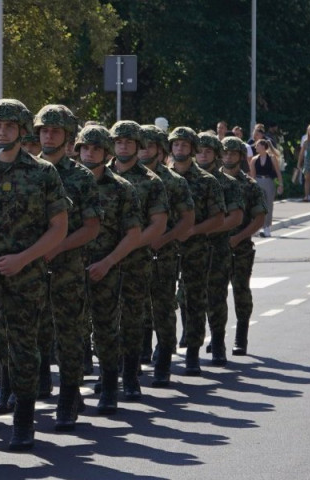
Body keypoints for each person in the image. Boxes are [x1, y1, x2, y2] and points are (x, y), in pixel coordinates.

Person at [0, 99, 68, 452]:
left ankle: (23, 418)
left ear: (22, 132)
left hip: (26, 268)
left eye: (9, 126)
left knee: (22, 346)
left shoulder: (43, 173)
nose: (2, 131)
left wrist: (24, 259)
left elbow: (58, 229)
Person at [34, 104, 100, 429]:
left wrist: (58, 246)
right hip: (31, 270)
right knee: (31, 333)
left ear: (67, 137)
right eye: (44, 130)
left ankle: (68, 396)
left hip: (68, 269)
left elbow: (91, 227)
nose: (49, 135)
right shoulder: (28, 172)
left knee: (70, 335)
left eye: (55, 131)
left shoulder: (81, 177)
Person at [75, 124, 142, 415]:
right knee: (71, 332)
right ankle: (71, 389)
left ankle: (110, 387)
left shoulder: (121, 188)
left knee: (105, 329)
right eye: (85, 148)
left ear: (106, 153)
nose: (90, 154)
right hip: (69, 268)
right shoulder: (65, 183)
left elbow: (133, 233)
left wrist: (108, 262)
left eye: (97, 149)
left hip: (107, 266)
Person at [107, 120, 169, 398]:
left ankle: (130, 375)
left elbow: (158, 224)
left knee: (132, 318)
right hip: (101, 259)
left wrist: (130, 245)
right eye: (119, 141)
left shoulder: (151, 181)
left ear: (138, 146)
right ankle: (110, 373)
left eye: (129, 142)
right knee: (103, 320)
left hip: (135, 260)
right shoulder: (96, 176)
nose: (123, 146)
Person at [137, 124, 194, 387]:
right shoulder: (126, 178)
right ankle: (133, 360)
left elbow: (187, 220)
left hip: (163, 254)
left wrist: (164, 239)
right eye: (140, 145)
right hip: (132, 255)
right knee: (132, 309)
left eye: (148, 146)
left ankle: (163, 362)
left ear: (160, 150)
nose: (142, 150)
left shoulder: (174, 182)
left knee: (162, 309)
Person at [168, 126, 224, 376]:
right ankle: (161, 350)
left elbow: (218, 219)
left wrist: (193, 230)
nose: (179, 149)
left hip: (196, 248)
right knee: (163, 300)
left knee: (194, 299)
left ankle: (192, 352)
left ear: (192, 149)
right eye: (176, 145)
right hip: (166, 248)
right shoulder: (161, 178)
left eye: (184, 145)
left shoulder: (206, 181)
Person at [196, 132, 242, 365]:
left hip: (216, 248)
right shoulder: (185, 179)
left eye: (207, 151)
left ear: (216, 155)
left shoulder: (227, 183)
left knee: (216, 296)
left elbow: (235, 217)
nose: (202, 155)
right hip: (190, 249)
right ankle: (192, 342)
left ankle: (217, 341)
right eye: (199, 150)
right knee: (190, 298)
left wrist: (205, 230)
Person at [221, 137, 267, 355]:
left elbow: (259, 219)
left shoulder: (250, 186)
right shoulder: (212, 181)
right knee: (215, 294)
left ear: (240, 156)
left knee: (240, 291)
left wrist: (239, 237)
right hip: (215, 248)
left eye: (232, 153)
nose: (228, 157)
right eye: (225, 153)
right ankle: (217, 334)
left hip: (240, 248)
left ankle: (241, 336)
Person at [250, 139, 284, 236]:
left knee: (269, 205)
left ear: (263, 147)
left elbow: (278, 172)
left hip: (269, 181)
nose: (256, 147)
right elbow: (252, 175)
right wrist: (251, 187)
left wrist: (280, 184)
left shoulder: (272, 158)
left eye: (258, 145)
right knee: (258, 205)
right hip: (258, 181)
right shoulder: (254, 159)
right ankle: (257, 227)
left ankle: (267, 227)